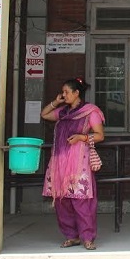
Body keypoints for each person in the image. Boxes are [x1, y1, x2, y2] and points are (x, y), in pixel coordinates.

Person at [40, 77, 106, 250]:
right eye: (63, 92)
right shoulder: (63, 112)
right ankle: (71, 236)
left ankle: (87, 237)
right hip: (60, 161)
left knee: (81, 200)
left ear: (77, 93)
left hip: (79, 161)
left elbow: (100, 135)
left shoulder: (90, 111)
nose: (64, 95)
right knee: (62, 200)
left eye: (66, 92)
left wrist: (81, 137)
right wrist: (56, 102)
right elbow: (44, 114)